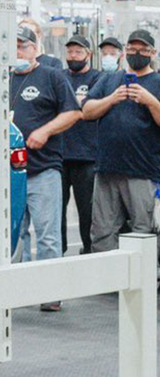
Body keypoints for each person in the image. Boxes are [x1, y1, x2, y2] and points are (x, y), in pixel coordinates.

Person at [9, 24, 81, 308]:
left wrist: (45, 131)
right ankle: (21, 290)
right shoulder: (2, 79)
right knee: (16, 236)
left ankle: (50, 294)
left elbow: (74, 112)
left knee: (48, 236)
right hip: (10, 173)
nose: (18, 52)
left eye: (23, 46)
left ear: (35, 48)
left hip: (44, 169)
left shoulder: (51, 76)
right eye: (12, 46)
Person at [82, 29, 160, 254]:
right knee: (102, 232)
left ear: (152, 53)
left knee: (143, 232)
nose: (137, 53)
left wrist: (150, 101)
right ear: (124, 52)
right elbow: (87, 111)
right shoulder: (109, 80)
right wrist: (111, 98)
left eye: (143, 49)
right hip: (107, 169)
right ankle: (107, 283)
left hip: (143, 172)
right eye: (132, 48)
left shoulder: (156, 82)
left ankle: (143, 284)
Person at [60, 35, 100, 255]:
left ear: (88, 54)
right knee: (57, 210)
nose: (73, 56)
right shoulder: (59, 77)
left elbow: (87, 110)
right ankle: (59, 250)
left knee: (88, 210)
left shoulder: (98, 79)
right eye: (69, 52)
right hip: (60, 155)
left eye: (77, 52)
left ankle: (89, 250)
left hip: (87, 156)